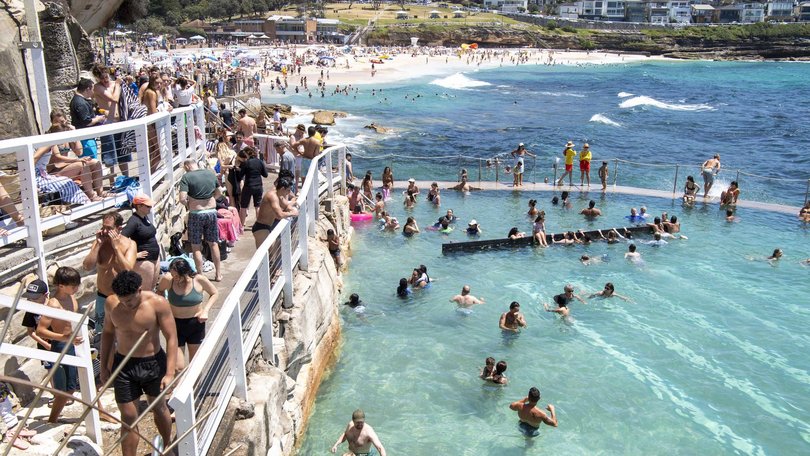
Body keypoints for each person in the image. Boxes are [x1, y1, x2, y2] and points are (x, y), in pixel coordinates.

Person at [101, 271, 177, 456]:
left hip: (153, 363)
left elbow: (171, 337)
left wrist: (169, 372)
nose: (127, 304)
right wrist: (104, 366)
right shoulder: (112, 304)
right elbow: (108, 333)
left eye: (130, 300)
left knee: (158, 408)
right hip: (124, 365)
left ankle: (167, 446)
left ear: (140, 290)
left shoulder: (158, 303)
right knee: (128, 417)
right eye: (123, 300)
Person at [34, 267, 83, 424]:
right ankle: (52, 420)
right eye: (73, 286)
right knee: (62, 391)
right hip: (60, 346)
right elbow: (40, 330)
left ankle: (53, 419)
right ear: (61, 285)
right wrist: (63, 337)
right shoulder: (53, 305)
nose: (76, 288)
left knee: (71, 388)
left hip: (74, 345)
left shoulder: (71, 297)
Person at [82, 212, 137, 341]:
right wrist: (98, 246)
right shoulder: (99, 243)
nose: (105, 231)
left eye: (109, 228)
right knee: (103, 336)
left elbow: (128, 270)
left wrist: (116, 248)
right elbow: (87, 267)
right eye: (104, 227)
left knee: (124, 335)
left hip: (122, 298)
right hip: (103, 298)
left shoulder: (129, 244)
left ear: (119, 228)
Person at [156, 258, 218, 371]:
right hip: (175, 324)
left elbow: (214, 293)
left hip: (195, 324)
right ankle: (177, 387)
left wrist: (205, 310)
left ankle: (195, 388)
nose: (176, 279)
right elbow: (159, 291)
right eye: (173, 275)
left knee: (195, 364)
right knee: (178, 366)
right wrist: (164, 309)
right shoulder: (168, 279)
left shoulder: (199, 280)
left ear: (186, 273)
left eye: (178, 276)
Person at [179, 159, 222, 281]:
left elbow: (182, 198)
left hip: (196, 213)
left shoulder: (186, 177)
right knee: (213, 244)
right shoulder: (210, 173)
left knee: (196, 246)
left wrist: (189, 204)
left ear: (187, 166)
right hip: (211, 212)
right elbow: (219, 192)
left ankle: (201, 276)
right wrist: (211, 199)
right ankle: (218, 274)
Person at [92, 65, 129, 181]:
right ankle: (112, 182)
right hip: (108, 123)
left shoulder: (114, 84)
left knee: (123, 154)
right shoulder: (97, 87)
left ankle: (126, 179)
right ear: (97, 78)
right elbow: (114, 99)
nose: (105, 80)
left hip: (120, 121)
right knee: (110, 156)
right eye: (102, 78)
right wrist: (118, 84)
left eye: (106, 77)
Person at [122, 195, 160, 292]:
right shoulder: (133, 221)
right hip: (144, 261)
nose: (150, 208)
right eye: (148, 206)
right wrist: (134, 255)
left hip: (154, 257)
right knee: (145, 291)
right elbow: (122, 240)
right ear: (139, 206)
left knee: (152, 288)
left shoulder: (144, 217)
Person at [252, 178, 298, 248]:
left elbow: (286, 206)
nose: (289, 193)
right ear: (282, 189)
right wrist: (292, 213)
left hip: (268, 227)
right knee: (263, 255)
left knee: (271, 255)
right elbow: (279, 215)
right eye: (288, 190)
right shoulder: (272, 196)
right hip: (261, 228)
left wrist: (292, 209)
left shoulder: (279, 194)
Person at [235, 147, 268, 225]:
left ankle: (242, 226)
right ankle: (259, 224)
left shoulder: (246, 163)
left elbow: (240, 176)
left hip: (248, 186)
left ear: (247, 153)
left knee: (243, 206)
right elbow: (265, 175)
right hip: (258, 186)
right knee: (257, 206)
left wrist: (238, 169)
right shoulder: (260, 162)